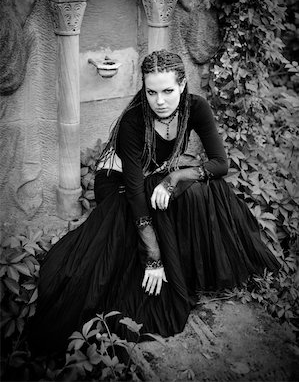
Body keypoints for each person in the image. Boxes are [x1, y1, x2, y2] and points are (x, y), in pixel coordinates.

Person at [28, 50, 280, 354]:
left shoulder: (195, 107)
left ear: (183, 84)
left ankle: (189, 267)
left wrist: (176, 178)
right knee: (129, 237)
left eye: (168, 91)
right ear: (144, 89)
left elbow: (220, 164)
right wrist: (154, 258)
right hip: (119, 184)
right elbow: (135, 192)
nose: (159, 101)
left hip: (157, 176)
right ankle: (162, 261)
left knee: (206, 188)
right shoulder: (134, 121)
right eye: (151, 92)